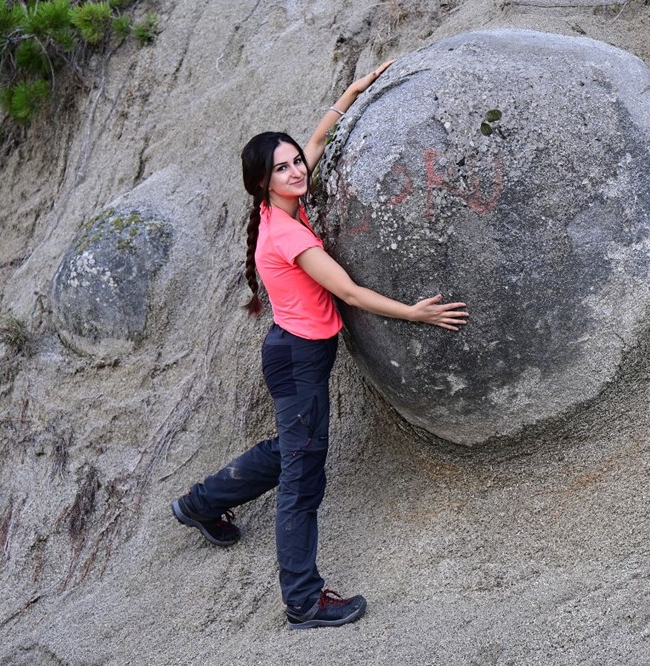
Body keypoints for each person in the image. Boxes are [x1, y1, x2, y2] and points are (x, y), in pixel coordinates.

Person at [171, 61, 468, 630]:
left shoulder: (279, 209)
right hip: (298, 360)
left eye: (294, 164)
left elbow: (314, 141)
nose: (295, 171)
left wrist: (353, 92)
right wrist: (415, 313)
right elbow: (350, 292)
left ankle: (201, 505)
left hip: (291, 351)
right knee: (302, 479)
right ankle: (304, 601)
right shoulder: (288, 236)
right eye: (280, 169)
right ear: (262, 182)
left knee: (291, 450)